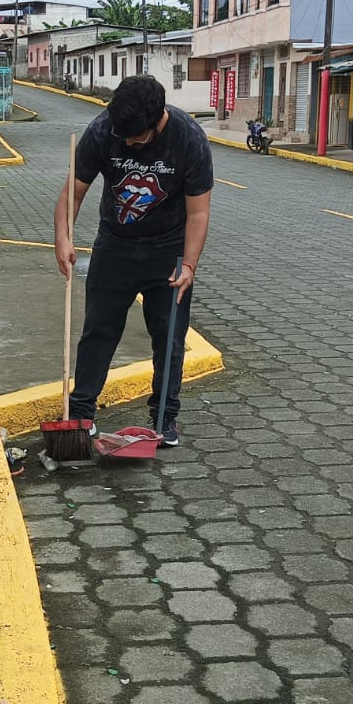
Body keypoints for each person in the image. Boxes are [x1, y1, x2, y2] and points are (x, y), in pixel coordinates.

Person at [54, 74, 214, 447]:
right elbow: (73, 193)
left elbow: (198, 214)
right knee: (98, 332)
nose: (127, 143)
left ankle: (164, 417)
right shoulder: (103, 129)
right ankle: (80, 414)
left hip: (168, 251)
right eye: (123, 136)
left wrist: (189, 265)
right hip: (114, 245)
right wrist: (62, 237)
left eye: (136, 139)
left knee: (169, 337)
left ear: (158, 120)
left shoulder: (189, 139)